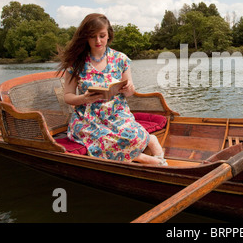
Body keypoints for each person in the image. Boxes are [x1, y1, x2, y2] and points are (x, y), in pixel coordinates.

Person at [58, 13, 167, 165]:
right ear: (85, 38)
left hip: (117, 112)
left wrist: (128, 87)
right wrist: (83, 98)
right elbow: (68, 96)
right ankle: (142, 158)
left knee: (133, 135)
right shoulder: (76, 63)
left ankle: (150, 142)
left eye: (102, 35)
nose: (98, 41)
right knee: (103, 138)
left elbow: (130, 92)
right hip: (87, 118)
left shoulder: (120, 59)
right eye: (92, 36)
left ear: (109, 35)